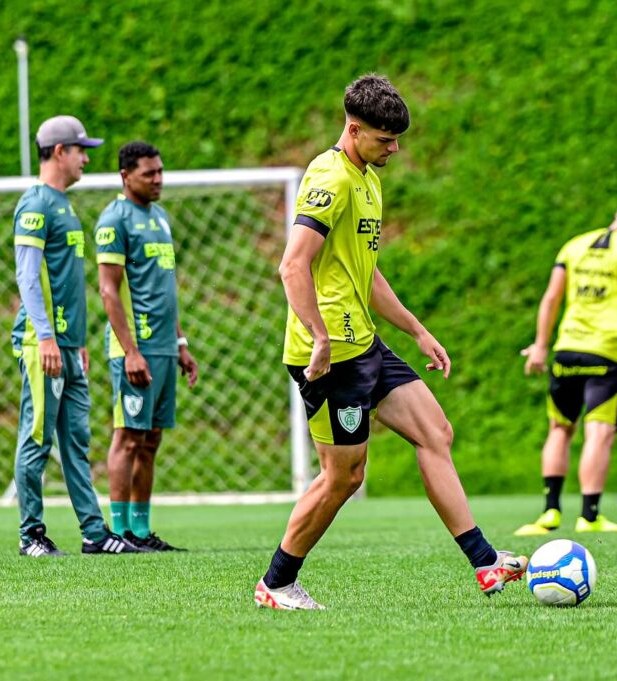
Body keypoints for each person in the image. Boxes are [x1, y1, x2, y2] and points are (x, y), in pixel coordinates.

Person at [254, 74, 527, 610]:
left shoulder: (368, 176)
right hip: (329, 356)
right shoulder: (329, 179)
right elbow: (293, 265)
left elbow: (366, 271)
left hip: (366, 345)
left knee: (435, 431)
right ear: (353, 130)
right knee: (343, 478)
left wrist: (418, 330)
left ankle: (485, 564)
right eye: (385, 139)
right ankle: (277, 583)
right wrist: (319, 338)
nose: (395, 149)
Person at [12, 115, 141, 556]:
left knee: (76, 440)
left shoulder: (63, 205)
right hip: (42, 344)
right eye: (82, 149)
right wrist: (46, 337)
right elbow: (28, 277)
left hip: (69, 345)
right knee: (36, 438)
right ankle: (32, 535)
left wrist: (77, 341)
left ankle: (93, 532)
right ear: (60, 152)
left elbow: (65, 281)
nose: (87, 157)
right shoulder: (35, 206)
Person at [516, 190, 617, 536]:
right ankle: (589, 517)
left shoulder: (575, 245)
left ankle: (550, 513)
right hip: (607, 352)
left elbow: (552, 296)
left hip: (567, 349)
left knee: (559, 429)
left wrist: (541, 345)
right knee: (598, 433)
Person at [95, 141, 199, 552]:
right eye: (148, 173)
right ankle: (118, 531)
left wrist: (180, 343)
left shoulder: (160, 217)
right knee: (128, 437)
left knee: (151, 438)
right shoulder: (114, 219)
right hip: (133, 349)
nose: (158, 179)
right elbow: (108, 292)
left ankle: (140, 530)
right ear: (126, 176)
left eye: (160, 171)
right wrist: (131, 350)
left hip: (163, 346)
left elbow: (164, 289)